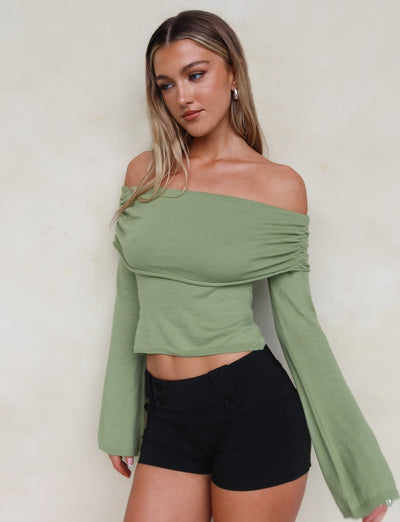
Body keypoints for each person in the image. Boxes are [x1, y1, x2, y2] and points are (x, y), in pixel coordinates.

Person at [97, 9, 398, 522]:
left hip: (253, 412)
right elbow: (131, 297)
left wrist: (360, 474)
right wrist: (119, 420)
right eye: (167, 84)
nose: (183, 97)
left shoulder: (277, 187)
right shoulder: (145, 173)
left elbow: (301, 330)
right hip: (166, 411)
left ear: (232, 73)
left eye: (197, 74)